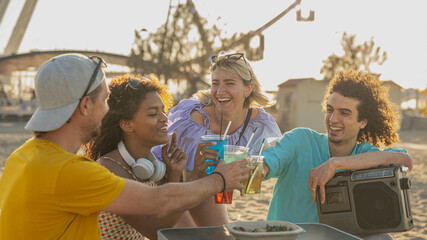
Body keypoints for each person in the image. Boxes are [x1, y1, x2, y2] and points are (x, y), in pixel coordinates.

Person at [0, 53, 249, 240]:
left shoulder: (21, 157)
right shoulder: (70, 172)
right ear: (85, 106)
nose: (109, 110)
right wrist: (219, 179)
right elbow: (157, 205)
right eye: (105, 99)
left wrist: (186, 176)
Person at [261, 70, 413, 225]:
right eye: (330, 110)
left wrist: (335, 164)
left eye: (344, 113)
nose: (333, 119)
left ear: (363, 122)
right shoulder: (300, 140)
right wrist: (260, 169)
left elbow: (405, 161)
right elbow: (270, 161)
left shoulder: (366, 155)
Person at [153, 51, 282, 227]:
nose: (220, 91)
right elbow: (168, 164)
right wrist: (198, 171)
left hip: (210, 186)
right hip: (169, 183)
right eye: (215, 83)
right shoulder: (191, 119)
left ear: (248, 88)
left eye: (229, 83)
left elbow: (265, 159)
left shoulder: (258, 124)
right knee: (186, 237)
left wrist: (256, 171)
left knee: (219, 236)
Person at [86, 74, 191, 239]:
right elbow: (155, 231)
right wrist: (188, 179)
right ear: (127, 124)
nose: (165, 119)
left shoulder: (149, 166)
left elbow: (162, 215)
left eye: (163, 111)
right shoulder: (110, 168)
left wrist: (174, 172)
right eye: (153, 114)